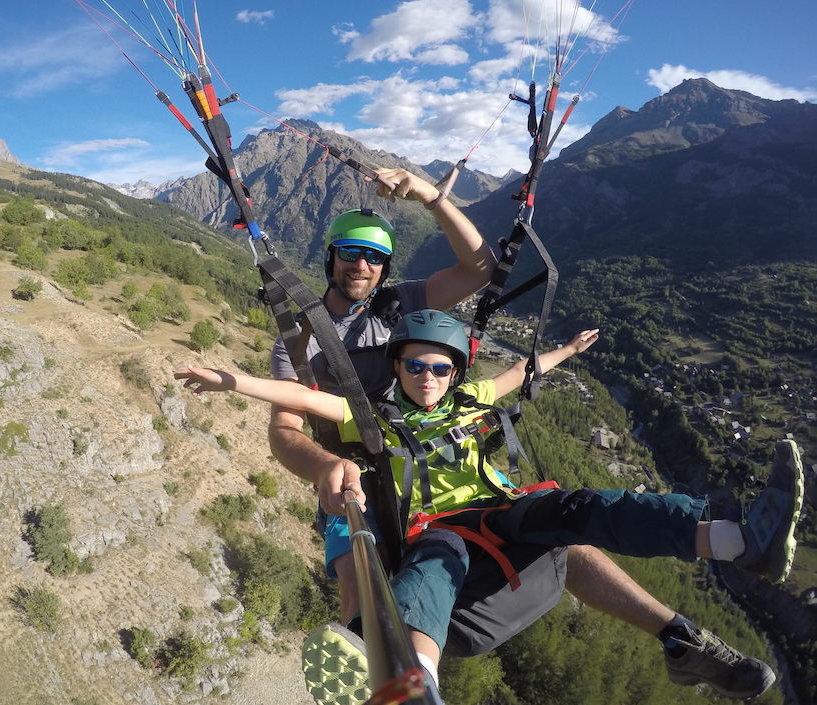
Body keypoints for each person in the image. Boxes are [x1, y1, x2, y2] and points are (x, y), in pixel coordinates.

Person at [265, 169, 780, 700]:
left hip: (438, 449)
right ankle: (373, 666)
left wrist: (429, 196)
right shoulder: (298, 343)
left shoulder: (403, 305)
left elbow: (482, 268)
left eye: (373, 257)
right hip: (360, 468)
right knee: (359, 558)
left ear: (386, 266)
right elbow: (286, 428)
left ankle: (680, 638)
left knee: (557, 527)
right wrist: (323, 465)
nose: (361, 265)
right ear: (330, 257)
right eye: (350, 253)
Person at [180, 310, 804, 703]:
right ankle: (413, 681)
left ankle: (738, 543)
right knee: (433, 566)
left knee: (582, 507)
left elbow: (523, 373)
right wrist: (228, 381)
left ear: (454, 373)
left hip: (501, 509)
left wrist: (566, 352)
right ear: (397, 368)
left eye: (440, 367)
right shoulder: (371, 419)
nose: (428, 376)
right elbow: (296, 396)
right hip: (439, 526)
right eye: (415, 365)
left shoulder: (471, 396)